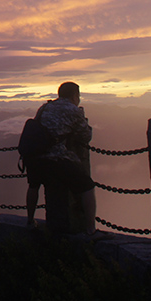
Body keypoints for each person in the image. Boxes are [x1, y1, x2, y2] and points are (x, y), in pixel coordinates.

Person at [25, 81, 97, 234]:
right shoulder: (73, 110)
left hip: (34, 156)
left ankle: (30, 221)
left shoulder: (45, 107)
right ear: (75, 95)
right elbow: (86, 136)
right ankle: (90, 229)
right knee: (87, 186)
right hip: (55, 158)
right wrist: (81, 116)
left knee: (33, 186)